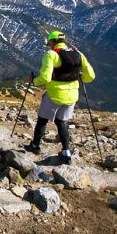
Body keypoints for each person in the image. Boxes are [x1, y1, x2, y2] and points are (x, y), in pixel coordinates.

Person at [23, 30, 95, 164]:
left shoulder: (51, 54)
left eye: (49, 42)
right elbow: (90, 76)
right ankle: (66, 152)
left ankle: (35, 146)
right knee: (61, 122)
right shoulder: (78, 53)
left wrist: (33, 81)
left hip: (55, 94)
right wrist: (79, 77)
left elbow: (45, 77)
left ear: (53, 41)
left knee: (42, 120)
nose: (48, 44)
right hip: (72, 95)